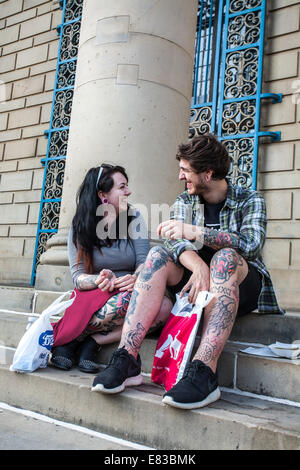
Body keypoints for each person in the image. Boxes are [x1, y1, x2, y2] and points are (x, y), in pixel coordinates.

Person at [91, 135, 283, 409]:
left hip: (241, 282)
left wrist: (197, 232)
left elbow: (250, 245)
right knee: (157, 255)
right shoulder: (185, 200)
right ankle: (127, 357)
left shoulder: (250, 199)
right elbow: (173, 240)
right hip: (197, 279)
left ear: (208, 173)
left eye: (186, 170)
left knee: (225, 258)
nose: (181, 176)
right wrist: (197, 265)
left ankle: (204, 370)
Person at [50, 164, 172, 373]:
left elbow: (144, 261)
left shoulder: (134, 218)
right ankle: (70, 341)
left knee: (163, 308)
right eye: (122, 187)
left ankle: (91, 341)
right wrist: (100, 280)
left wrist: (136, 278)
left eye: (127, 186)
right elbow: (78, 277)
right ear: (103, 195)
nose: (128, 191)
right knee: (127, 301)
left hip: (130, 289)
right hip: (96, 293)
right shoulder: (81, 225)